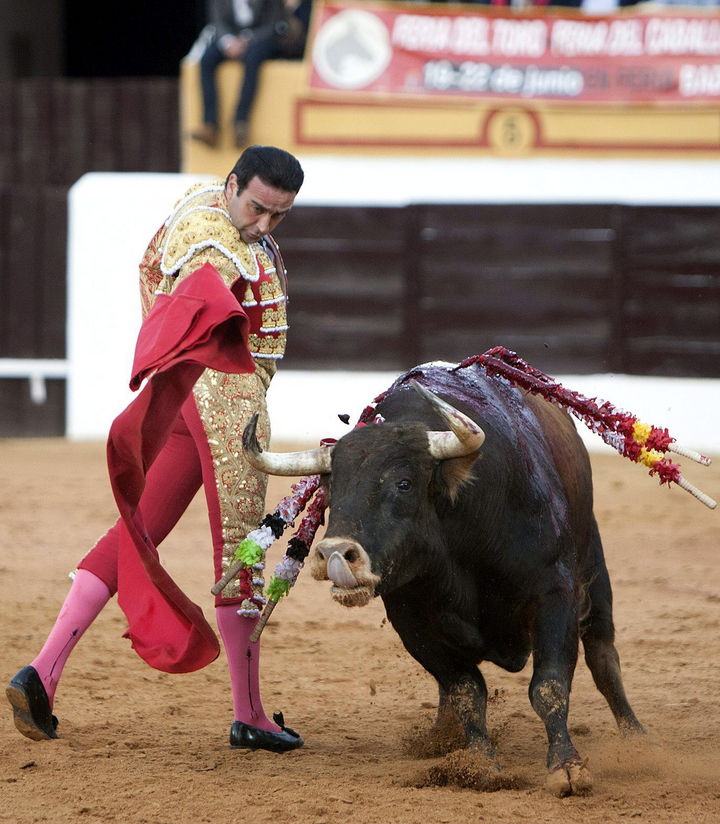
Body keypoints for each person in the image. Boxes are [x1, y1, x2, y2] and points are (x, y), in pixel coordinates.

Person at [6, 145, 306, 754]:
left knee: (133, 533)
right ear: (232, 185)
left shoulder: (202, 201)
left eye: (279, 214)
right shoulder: (211, 235)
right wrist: (209, 307)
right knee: (241, 554)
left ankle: (42, 672)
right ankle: (249, 715)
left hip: (186, 402)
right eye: (257, 208)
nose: (264, 225)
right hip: (226, 404)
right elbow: (203, 277)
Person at [192, 0, 313, 149]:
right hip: (229, 39)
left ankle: (240, 122)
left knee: (253, 58)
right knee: (207, 60)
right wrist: (229, 41)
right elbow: (217, 21)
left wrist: (246, 40)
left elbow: (271, 25)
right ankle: (210, 124)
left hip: (258, 39)